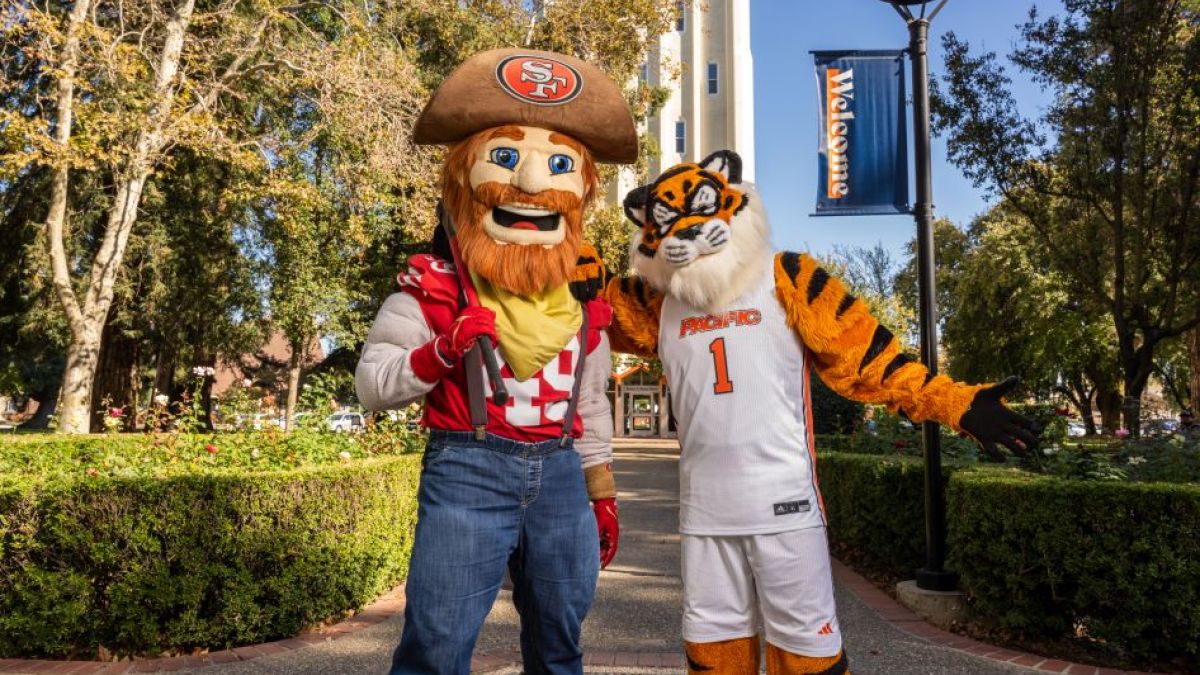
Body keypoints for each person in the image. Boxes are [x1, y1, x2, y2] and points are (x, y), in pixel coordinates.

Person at [594, 149, 1041, 675]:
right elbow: (578, 298)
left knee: (807, 651)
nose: (688, 232)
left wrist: (956, 403)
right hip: (703, 514)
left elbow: (869, 358)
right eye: (667, 222)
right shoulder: (657, 303)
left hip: (784, 507)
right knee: (713, 650)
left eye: (703, 207)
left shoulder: (785, 277)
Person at [355, 48, 635, 675]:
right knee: (436, 646)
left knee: (561, 644)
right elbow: (372, 386)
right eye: (505, 158)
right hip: (467, 470)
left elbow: (589, 405)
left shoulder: (584, 304)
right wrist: (441, 349)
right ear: (464, 185)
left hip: (561, 475)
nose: (532, 185)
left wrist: (603, 495)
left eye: (557, 165)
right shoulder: (430, 289)